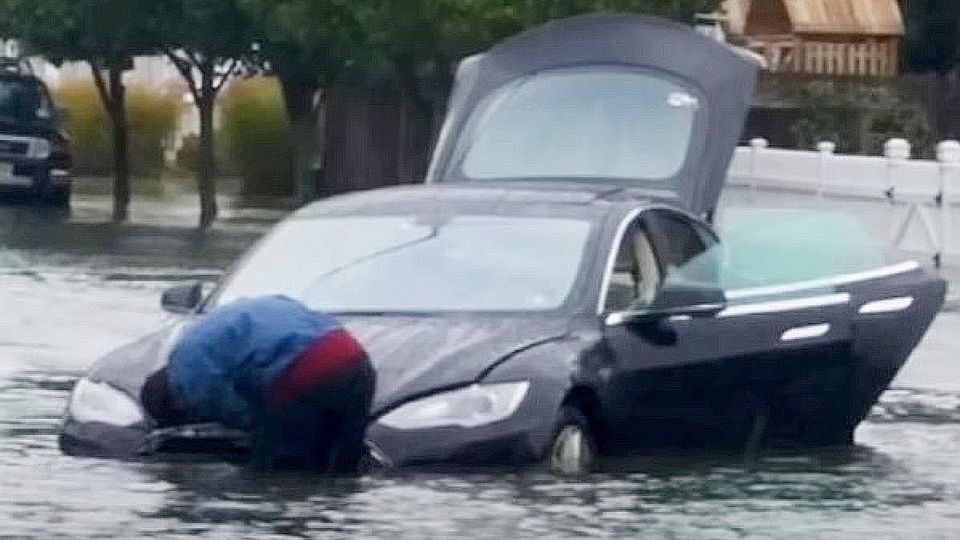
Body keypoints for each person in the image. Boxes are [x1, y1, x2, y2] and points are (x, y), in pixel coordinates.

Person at [141, 295, 375, 472]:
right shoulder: (221, 321)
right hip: (356, 361)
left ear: (173, 400)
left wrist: (261, 431)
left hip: (302, 372)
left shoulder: (184, 369)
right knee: (343, 468)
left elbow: (234, 410)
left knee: (273, 474)